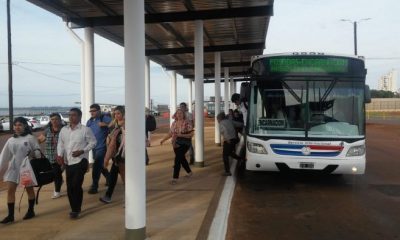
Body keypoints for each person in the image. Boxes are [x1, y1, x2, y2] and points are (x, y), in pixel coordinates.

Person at [56, 108, 97, 219]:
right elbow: (61, 144)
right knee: (69, 187)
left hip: (80, 161)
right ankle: (74, 208)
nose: (71, 117)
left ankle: (76, 209)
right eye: (69, 115)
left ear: (79, 116)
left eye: (73, 115)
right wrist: (60, 155)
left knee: (76, 185)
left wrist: (82, 151)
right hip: (68, 162)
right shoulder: (64, 130)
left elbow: (93, 142)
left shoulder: (85, 130)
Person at [0, 117, 41, 224]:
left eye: (20, 125)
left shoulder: (30, 138)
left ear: (25, 126)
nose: (17, 127)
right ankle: (10, 215)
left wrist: (34, 154)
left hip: (26, 168)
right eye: (15, 125)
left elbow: (38, 152)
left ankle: (31, 210)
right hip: (13, 167)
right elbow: (4, 156)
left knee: (29, 190)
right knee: (10, 190)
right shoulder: (11, 140)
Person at [160, 109, 193, 185]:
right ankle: (189, 172)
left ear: (183, 114)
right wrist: (163, 140)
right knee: (182, 158)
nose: (179, 114)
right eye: (178, 113)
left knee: (177, 159)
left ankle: (175, 178)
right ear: (176, 115)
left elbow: (191, 134)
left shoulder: (187, 122)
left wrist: (181, 135)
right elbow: (170, 134)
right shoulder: (174, 123)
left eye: (181, 113)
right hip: (175, 143)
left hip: (185, 142)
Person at [100, 106, 125, 204]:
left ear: (123, 113)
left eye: (118, 113)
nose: (116, 115)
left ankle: (128, 199)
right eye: (115, 113)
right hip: (116, 155)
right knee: (113, 177)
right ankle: (108, 196)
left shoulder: (127, 125)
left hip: (123, 155)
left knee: (125, 179)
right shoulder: (114, 124)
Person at [37, 113, 65, 199]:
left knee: (57, 173)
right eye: (52, 119)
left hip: (61, 157)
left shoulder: (65, 130)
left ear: (60, 120)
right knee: (56, 174)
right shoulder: (48, 130)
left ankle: (57, 191)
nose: (54, 121)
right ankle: (59, 182)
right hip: (49, 157)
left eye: (56, 119)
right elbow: (39, 141)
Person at [86, 103, 111, 194]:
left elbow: (114, 124)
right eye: (90, 111)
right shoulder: (89, 121)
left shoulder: (104, 118)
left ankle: (94, 186)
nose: (91, 113)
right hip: (94, 147)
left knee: (96, 165)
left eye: (93, 111)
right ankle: (109, 178)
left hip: (103, 146)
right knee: (100, 164)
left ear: (99, 111)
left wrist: (105, 124)